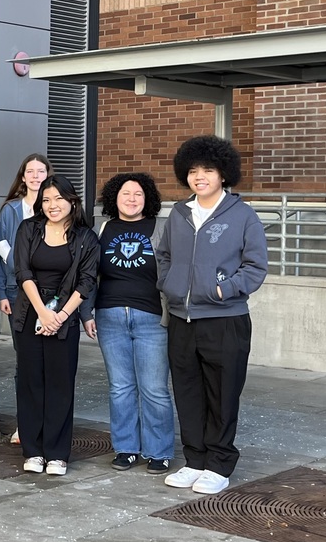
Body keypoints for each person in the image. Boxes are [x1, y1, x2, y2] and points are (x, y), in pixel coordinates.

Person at [158, 135, 267, 495]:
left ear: (223, 174)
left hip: (224, 320)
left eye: (207, 170)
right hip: (182, 318)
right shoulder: (178, 213)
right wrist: (170, 284)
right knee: (188, 392)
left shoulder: (242, 215)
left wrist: (222, 289)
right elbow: (164, 257)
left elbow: (255, 268)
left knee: (222, 394)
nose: (199, 177)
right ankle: (195, 460)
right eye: (192, 170)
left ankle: (219, 465)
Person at [80, 173, 174, 475]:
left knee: (155, 389)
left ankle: (159, 451)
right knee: (120, 387)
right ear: (114, 198)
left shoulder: (161, 228)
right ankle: (126, 448)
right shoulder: (102, 229)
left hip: (151, 318)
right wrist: (87, 312)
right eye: (125, 194)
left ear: (148, 198)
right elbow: (89, 274)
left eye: (138, 194)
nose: (131, 199)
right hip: (109, 316)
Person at [13, 174, 98, 476]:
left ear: (72, 201)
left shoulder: (86, 237)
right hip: (30, 314)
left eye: (59, 199)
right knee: (31, 383)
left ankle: (57, 453)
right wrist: (43, 313)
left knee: (60, 386)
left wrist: (59, 316)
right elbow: (22, 272)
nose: (52, 205)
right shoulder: (28, 229)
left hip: (66, 318)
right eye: (46, 199)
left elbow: (87, 281)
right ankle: (33, 451)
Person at [0, 153, 52, 444]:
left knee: (48, 360)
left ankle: (48, 421)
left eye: (41, 171)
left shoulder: (55, 207)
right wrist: (1, 291)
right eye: (30, 171)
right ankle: (25, 423)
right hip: (17, 294)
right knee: (24, 361)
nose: (35, 176)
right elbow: (0, 250)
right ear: (23, 176)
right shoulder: (10, 211)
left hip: (51, 296)